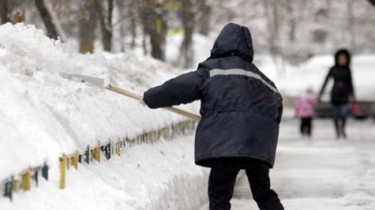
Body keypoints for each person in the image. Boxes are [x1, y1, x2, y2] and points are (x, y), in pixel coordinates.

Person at [142, 23, 284, 210]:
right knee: (263, 192)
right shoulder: (264, 80)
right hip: (258, 145)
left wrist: (150, 98)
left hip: (227, 141)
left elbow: (179, 88)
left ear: (221, 43)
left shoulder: (213, 70)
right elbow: (277, 107)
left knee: (219, 194)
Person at [318, 49, 355, 139]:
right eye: (340, 58)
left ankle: (342, 129)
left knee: (343, 113)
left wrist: (353, 95)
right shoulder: (333, 69)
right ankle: (337, 131)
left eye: (344, 58)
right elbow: (326, 81)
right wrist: (321, 93)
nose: (342, 60)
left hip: (345, 94)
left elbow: (350, 83)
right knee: (335, 114)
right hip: (335, 93)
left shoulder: (347, 70)